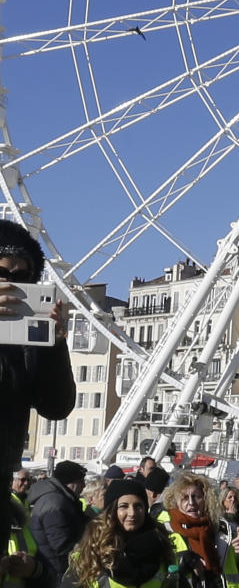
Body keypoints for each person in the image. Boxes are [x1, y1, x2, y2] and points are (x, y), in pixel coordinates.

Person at [0, 225, 75, 557]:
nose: (11, 282)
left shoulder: (28, 343)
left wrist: (55, 345)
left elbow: (57, 406)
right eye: (1, 272)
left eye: (23, 276)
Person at [65, 477, 173, 588]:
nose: (132, 513)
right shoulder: (91, 555)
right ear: (111, 511)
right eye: (123, 506)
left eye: (138, 506)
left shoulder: (162, 548)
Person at [163, 473, 239, 588]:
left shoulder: (224, 529)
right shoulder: (166, 531)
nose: (191, 502)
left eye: (196, 496)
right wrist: (185, 559)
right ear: (176, 502)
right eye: (185, 498)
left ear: (206, 499)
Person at [26, 461, 88, 582]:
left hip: (54, 569)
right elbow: (62, 546)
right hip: (56, 572)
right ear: (70, 482)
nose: (84, 486)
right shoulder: (55, 503)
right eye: (81, 481)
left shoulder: (60, 499)